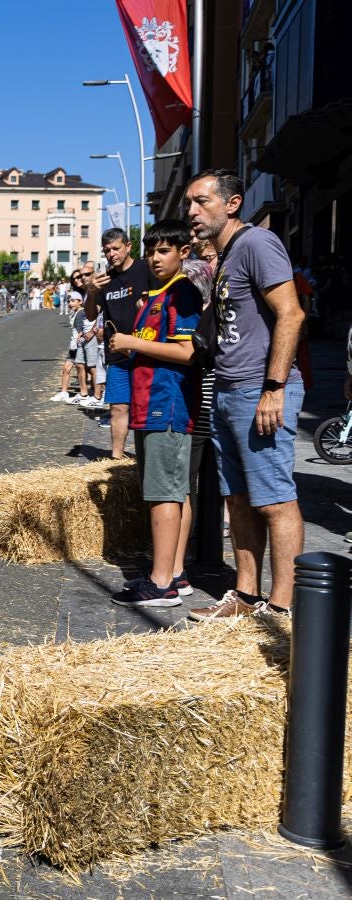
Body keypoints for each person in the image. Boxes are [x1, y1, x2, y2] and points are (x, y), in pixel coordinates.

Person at [184, 169, 304, 621]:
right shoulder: (229, 254)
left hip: (259, 390)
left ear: (232, 204)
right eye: (189, 203)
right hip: (228, 390)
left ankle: (283, 605)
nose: (192, 212)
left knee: (274, 500)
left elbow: (291, 314)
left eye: (202, 201)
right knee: (237, 500)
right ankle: (246, 596)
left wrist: (273, 388)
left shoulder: (257, 243)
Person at [105, 219, 203, 607]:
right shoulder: (156, 295)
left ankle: (161, 583)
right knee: (172, 490)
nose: (156, 258)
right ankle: (173, 573)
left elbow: (187, 352)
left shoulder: (182, 292)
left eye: (164, 251)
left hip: (167, 403)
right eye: (151, 252)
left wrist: (131, 341)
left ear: (184, 252)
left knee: (164, 492)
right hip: (149, 402)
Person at [84, 228, 158, 460]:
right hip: (117, 354)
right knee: (118, 407)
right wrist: (91, 292)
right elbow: (90, 315)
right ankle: (116, 457)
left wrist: (147, 306)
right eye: (107, 250)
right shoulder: (104, 279)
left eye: (116, 248)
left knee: (146, 407)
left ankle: (146, 458)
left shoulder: (145, 268)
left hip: (147, 350)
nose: (111, 254)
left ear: (128, 246)